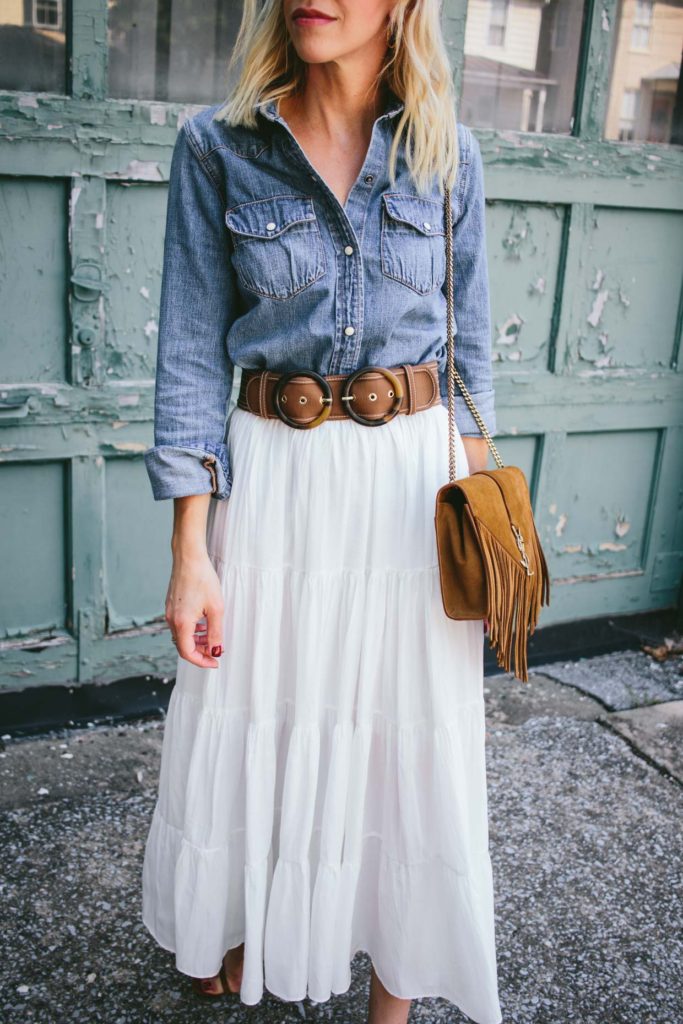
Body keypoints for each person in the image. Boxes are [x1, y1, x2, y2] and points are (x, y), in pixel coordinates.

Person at [140, 2, 502, 1023]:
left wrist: (467, 534)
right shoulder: (218, 147)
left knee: (404, 736)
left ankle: (392, 996)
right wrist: (189, 551)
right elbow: (187, 356)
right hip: (277, 486)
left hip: (406, 492)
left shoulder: (447, 154)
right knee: (271, 718)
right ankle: (256, 927)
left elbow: (468, 359)